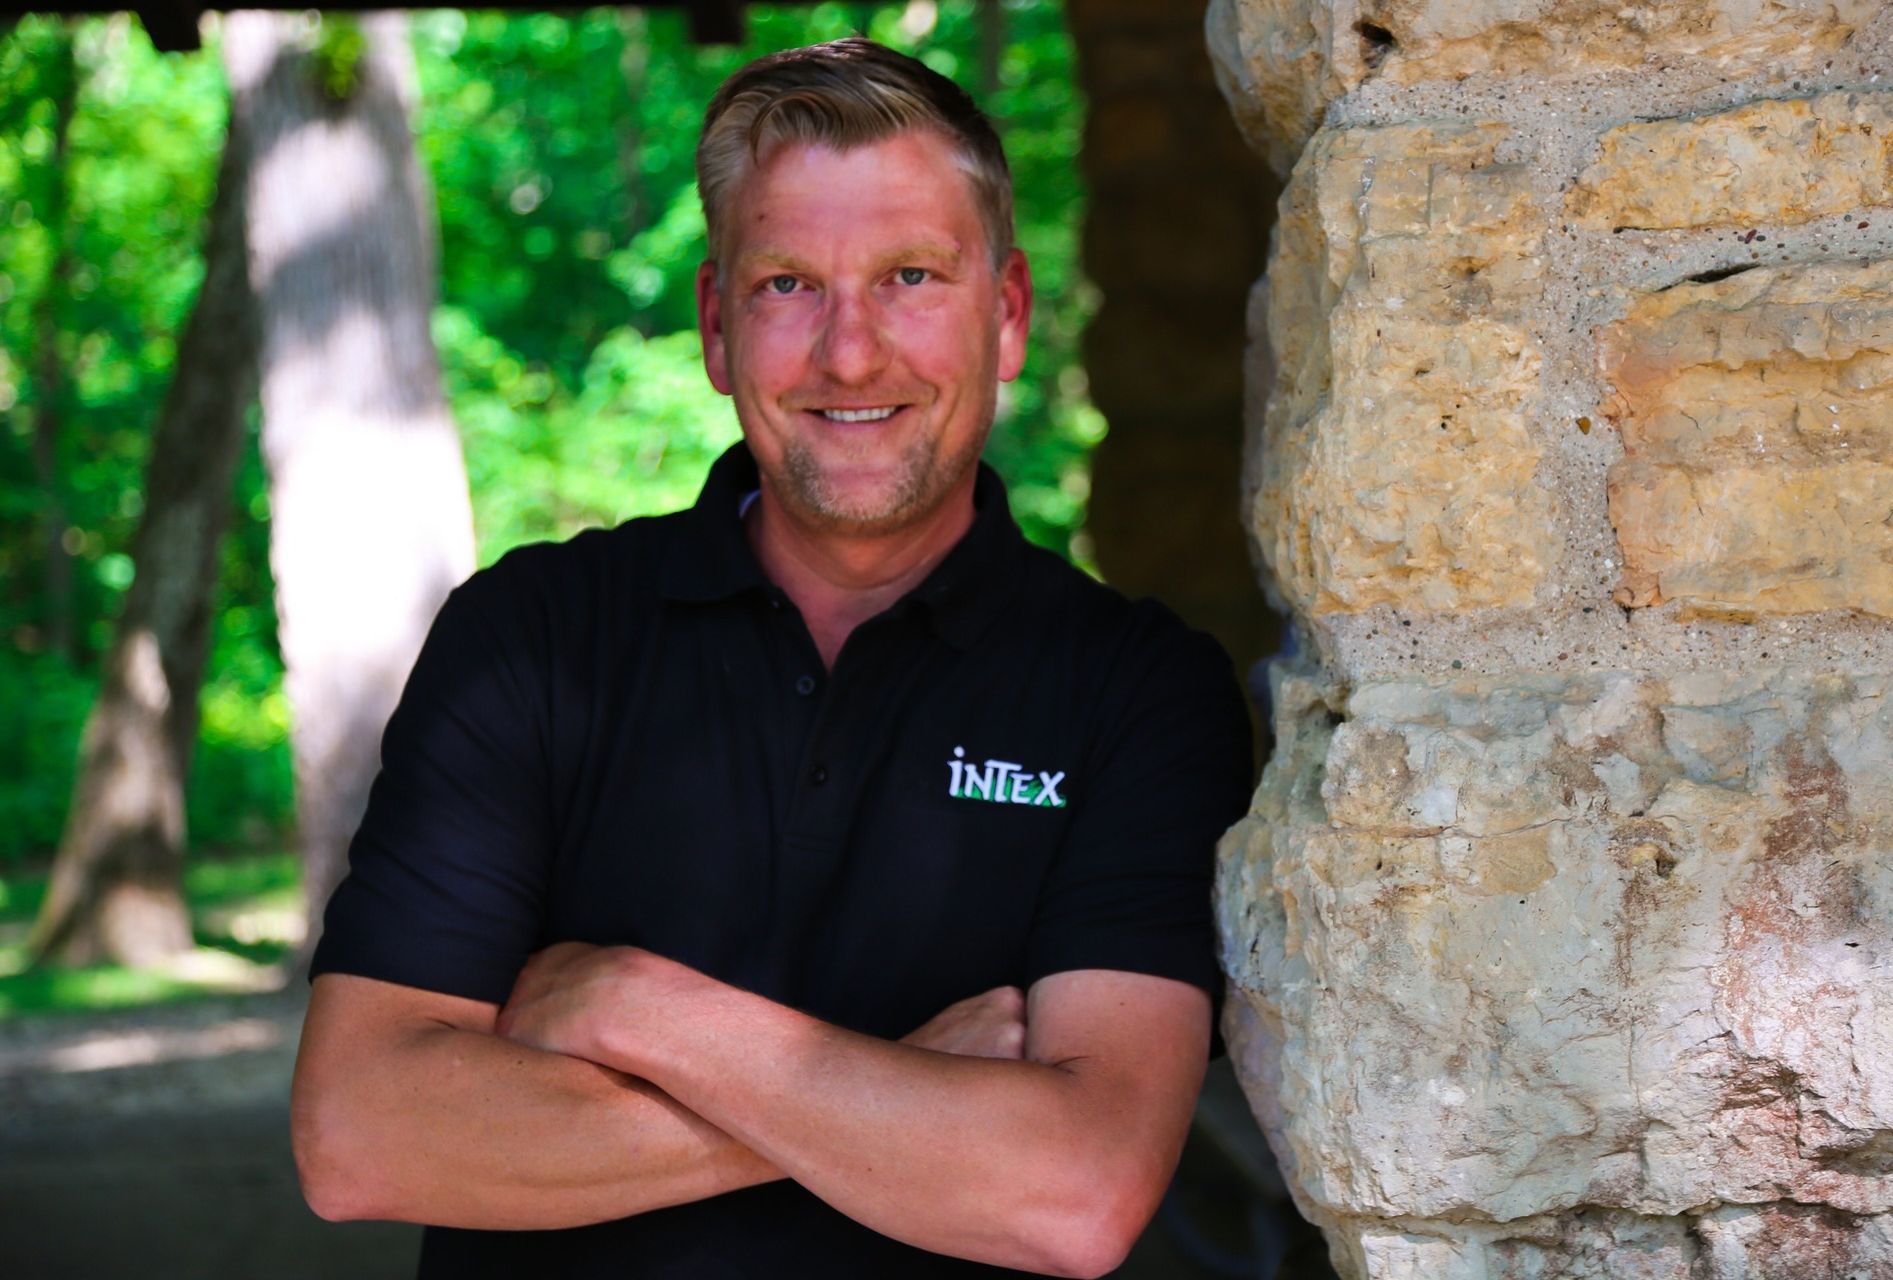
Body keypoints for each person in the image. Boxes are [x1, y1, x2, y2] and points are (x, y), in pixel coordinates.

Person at [291, 37, 1252, 1280]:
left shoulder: (1138, 691)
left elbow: (1076, 1190)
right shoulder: (528, 637)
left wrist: (641, 1007)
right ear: (714, 326)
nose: (852, 353)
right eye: (790, 283)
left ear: (1006, 315)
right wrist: (902, 1084)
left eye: (912, 275)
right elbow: (359, 1135)